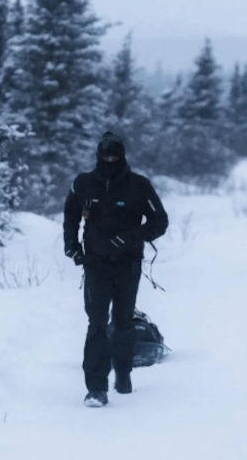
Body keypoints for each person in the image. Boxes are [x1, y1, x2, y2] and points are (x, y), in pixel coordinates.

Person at [63, 132, 169, 407]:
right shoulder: (83, 183)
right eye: (105, 158)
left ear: (122, 157)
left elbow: (160, 221)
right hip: (95, 264)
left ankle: (123, 374)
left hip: (127, 264)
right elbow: (71, 213)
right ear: (98, 157)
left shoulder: (139, 185)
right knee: (97, 324)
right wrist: (71, 245)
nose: (109, 162)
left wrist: (132, 237)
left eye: (115, 157)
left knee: (123, 322)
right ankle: (96, 388)